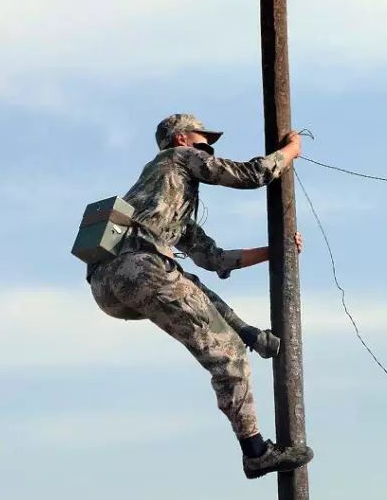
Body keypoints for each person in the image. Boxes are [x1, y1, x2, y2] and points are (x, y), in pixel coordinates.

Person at [87, 113, 314, 480]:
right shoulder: (174, 159)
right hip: (139, 268)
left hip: (109, 282)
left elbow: (214, 259)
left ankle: (249, 333)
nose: (208, 147)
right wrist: (290, 151)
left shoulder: (163, 201)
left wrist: (277, 249)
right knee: (227, 355)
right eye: (202, 139)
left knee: (189, 285)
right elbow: (252, 175)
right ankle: (256, 453)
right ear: (181, 140)